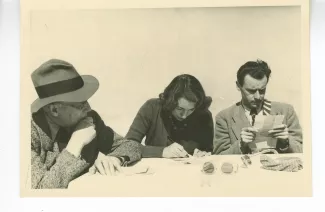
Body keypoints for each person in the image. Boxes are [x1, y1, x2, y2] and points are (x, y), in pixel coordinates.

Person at [30, 59, 141, 189]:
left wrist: (115, 159)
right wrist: (74, 147)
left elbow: (130, 146)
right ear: (54, 110)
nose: (88, 108)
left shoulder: (89, 119)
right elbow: (40, 192)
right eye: (80, 104)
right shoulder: (28, 135)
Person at [213, 59, 303, 155]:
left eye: (262, 90)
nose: (257, 97)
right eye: (251, 91)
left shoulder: (286, 111)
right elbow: (218, 157)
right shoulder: (224, 118)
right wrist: (240, 145)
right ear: (238, 86)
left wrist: (286, 142)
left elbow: (302, 151)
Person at [125, 74, 214, 158]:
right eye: (180, 109)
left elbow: (208, 150)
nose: (184, 115)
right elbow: (127, 147)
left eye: (191, 110)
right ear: (169, 102)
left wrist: (204, 154)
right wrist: (162, 152)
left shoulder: (204, 115)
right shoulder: (152, 108)